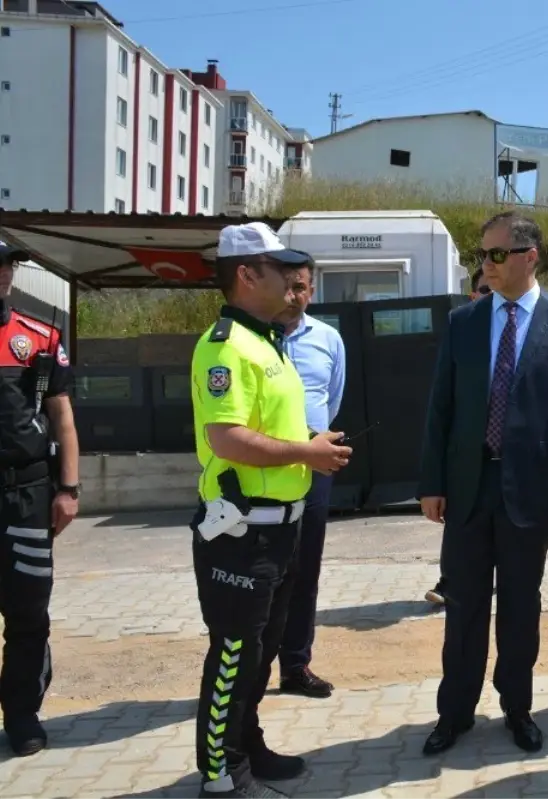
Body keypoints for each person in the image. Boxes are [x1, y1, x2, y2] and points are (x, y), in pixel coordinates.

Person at [417, 211, 548, 756]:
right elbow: (441, 407)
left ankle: (517, 707)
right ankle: (456, 712)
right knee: (465, 605)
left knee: (521, 606)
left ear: (528, 256)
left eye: (496, 254)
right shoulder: (464, 322)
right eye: (482, 255)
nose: (486, 265)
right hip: (469, 489)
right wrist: (432, 481)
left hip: (532, 494)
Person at [189, 222, 352, 798]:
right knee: (233, 655)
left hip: (279, 529)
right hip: (241, 531)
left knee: (258, 654)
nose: (293, 280)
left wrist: (310, 440)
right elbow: (227, 438)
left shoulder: (267, 342)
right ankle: (220, 775)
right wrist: (306, 451)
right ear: (246, 274)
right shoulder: (225, 347)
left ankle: (246, 747)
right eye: (280, 269)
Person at [0, 243, 79, 757]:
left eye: (6, 265)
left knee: (28, 614)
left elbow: (63, 417)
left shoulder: (39, 336)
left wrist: (69, 488)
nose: (3, 274)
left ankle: (22, 715)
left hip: (25, 493)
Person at [274, 264, 346, 700]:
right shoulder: (250, 340)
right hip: (259, 471)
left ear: (311, 291)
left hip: (313, 472)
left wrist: (311, 445)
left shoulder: (328, 339)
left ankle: (295, 666)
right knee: (265, 573)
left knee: (304, 571)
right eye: (285, 286)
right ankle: (250, 669)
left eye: (300, 287)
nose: (292, 295)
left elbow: (331, 399)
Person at [425, 267, 490, 607]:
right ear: (473, 294)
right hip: (464, 465)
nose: (490, 294)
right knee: (459, 533)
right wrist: (432, 482)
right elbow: (441, 409)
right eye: (484, 288)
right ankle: (450, 582)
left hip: (509, 471)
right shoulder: (461, 329)